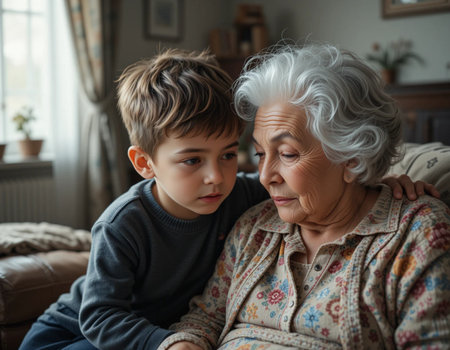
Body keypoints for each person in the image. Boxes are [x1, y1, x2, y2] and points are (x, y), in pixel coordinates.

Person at [18, 48, 437, 350]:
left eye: (231, 156)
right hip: (80, 333)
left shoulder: (247, 194)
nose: (266, 175)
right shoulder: (129, 223)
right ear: (144, 163)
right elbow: (114, 316)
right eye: (260, 153)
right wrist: (175, 343)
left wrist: (383, 176)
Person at [158, 44, 450, 350]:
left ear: (352, 157)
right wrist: (185, 344)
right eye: (259, 153)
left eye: (287, 154)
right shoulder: (255, 226)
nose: (265, 175)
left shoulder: (418, 235)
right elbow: (206, 318)